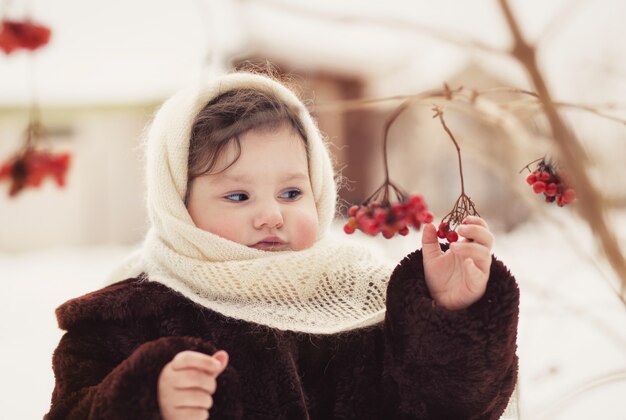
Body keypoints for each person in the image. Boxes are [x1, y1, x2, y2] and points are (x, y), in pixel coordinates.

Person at [46, 71, 519, 420]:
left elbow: (448, 409)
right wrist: (146, 400)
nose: (272, 214)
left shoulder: (365, 298)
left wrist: (452, 315)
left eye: (291, 193)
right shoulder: (127, 320)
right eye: (238, 195)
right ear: (177, 206)